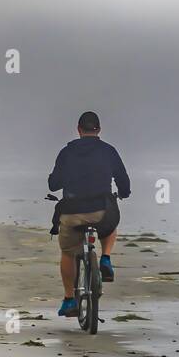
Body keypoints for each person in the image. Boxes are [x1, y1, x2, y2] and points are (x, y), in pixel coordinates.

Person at [47, 110, 130, 317]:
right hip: (100, 212)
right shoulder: (109, 151)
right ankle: (106, 259)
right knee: (111, 223)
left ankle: (68, 300)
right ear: (99, 130)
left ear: (78, 130)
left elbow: (54, 184)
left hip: (72, 213)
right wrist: (124, 193)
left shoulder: (67, 152)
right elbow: (123, 178)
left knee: (68, 252)